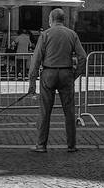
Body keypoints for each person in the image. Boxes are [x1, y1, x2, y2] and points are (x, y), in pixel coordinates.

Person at [27, 9, 86, 152]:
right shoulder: (72, 34)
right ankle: (71, 145)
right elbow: (83, 57)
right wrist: (75, 74)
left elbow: (36, 60)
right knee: (69, 111)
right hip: (66, 73)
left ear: (51, 19)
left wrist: (32, 83)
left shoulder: (45, 34)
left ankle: (41, 145)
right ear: (63, 19)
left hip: (49, 73)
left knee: (45, 111)